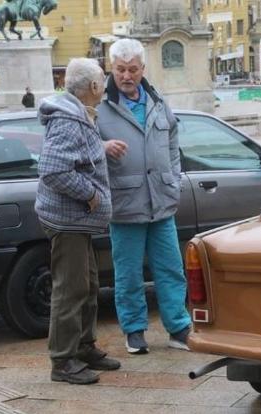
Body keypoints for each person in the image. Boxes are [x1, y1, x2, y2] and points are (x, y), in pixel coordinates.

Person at [96, 39, 191, 354]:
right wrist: (101, 148)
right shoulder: (100, 105)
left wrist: (173, 180)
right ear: (112, 69)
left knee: (170, 269)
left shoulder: (157, 100)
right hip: (125, 205)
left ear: (142, 69)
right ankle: (134, 330)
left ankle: (179, 327)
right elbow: (80, 145)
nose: (126, 76)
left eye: (132, 69)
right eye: (121, 70)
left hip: (161, 201)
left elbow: (173, 141)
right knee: (128, 274)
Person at [36, 58, 120, 385]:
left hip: (77, 222)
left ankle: (84, 347)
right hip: (68, 220)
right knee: (70, 290)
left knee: (87, 286)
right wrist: (90, 195)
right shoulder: (70, 119)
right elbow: (54, 170)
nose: (105, 86)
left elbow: (74, 154)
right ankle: (63, 361)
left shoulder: (77, 114)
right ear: (94, 87)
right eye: (103, 80)